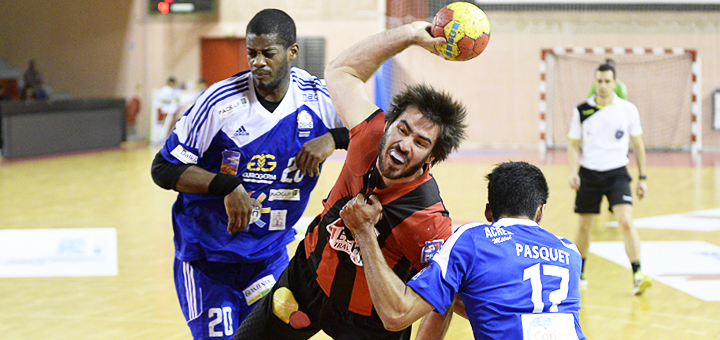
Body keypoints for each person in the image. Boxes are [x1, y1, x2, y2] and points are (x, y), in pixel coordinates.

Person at [234, 21, 467, 340]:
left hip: (369, 324)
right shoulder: (371, 135)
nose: (405, 143)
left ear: (431, 159)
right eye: (402, 129)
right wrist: (410, 34)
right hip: (305, 281)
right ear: (389, 124)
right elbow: (341, 71)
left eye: (421, 142)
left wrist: (364, 232)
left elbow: (416, 309)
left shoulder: (428, 220)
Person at [150, 9, 349, 340]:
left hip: (267, 257)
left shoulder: (319, 98)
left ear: (292, 53)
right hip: (208, 258)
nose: (258, 62)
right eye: (251, 53)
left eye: (268, 53)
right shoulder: (219, 102)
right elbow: (163, 168)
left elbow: (374, 132)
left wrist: (334, 138)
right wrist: (227, 186)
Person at [339, 161, 587, 340]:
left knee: (444, 291)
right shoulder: (570, 251)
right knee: (446, 293)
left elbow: (396, 314)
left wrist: (364, 232)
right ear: (540, 212)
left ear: (488, 212)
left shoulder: (473, 239)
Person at [568, 62, 650, 295]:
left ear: (615, 83)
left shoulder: (628, 109)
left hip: (617, 173)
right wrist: (573, 172)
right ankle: (580, 272)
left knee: (625, 221)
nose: (603, 86)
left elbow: (638, 145)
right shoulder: (582, 110)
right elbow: (574, 145)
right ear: (595, 83)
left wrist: (642, 177)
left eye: (607, 81)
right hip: (589, 174)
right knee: (584, 225)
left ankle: (637, 273)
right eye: (599, 81)